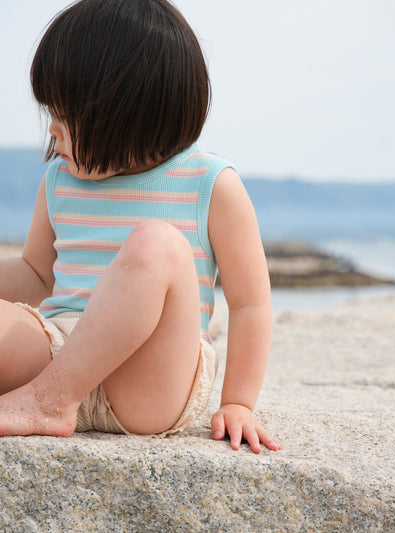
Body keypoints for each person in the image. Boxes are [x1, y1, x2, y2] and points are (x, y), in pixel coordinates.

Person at [0, 0, 280, 454]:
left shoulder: (209, 183)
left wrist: (238, 402)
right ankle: (50, 396)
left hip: (148, 380)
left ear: (128, 115)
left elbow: (250, 303)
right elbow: (37, 274)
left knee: (158, 245)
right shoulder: (59, 181)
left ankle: (50, 402)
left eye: (65, 115)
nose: (51, 129)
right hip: (55, 352)